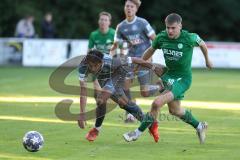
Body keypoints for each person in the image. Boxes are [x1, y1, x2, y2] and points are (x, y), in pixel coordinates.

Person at [123, 13, 213, 144]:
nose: (170, 31)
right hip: (169, 75)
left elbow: (203, 44)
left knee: (157, 103)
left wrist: (207, 60)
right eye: (168, 27)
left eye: (173, 28)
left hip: (183, 79)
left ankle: (136, 133)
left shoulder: (189, 37)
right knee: (174, 110)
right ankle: (199, 126)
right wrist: (139, 64)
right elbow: (150, 50)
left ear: (180, 26)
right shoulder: (161, 37)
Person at [77, 49, 167, 142]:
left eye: (95, 66)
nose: (92, 69)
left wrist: (153, 67)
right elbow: (83, 91)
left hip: (118, 73)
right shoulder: (83, 67)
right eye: (90, 66)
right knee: (124, 104)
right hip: (104, 78)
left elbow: (135, 60)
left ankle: (96, 129)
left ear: (101, 62)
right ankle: (151, 124)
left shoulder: (113, 61)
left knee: (101, 99)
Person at [110, 0, 159, 122]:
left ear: (136, 9)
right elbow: (115, 45)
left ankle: (160, 87)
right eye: (127, 6)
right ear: (124, 8)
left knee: (145, 92)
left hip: (143, 61)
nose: (129, 8)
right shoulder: (120, 26)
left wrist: (150, 56)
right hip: (129, 61)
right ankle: (131, 114)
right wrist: (109, 58)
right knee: (125, 88)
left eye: (131, 6)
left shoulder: (143, 23)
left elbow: (155, 39)